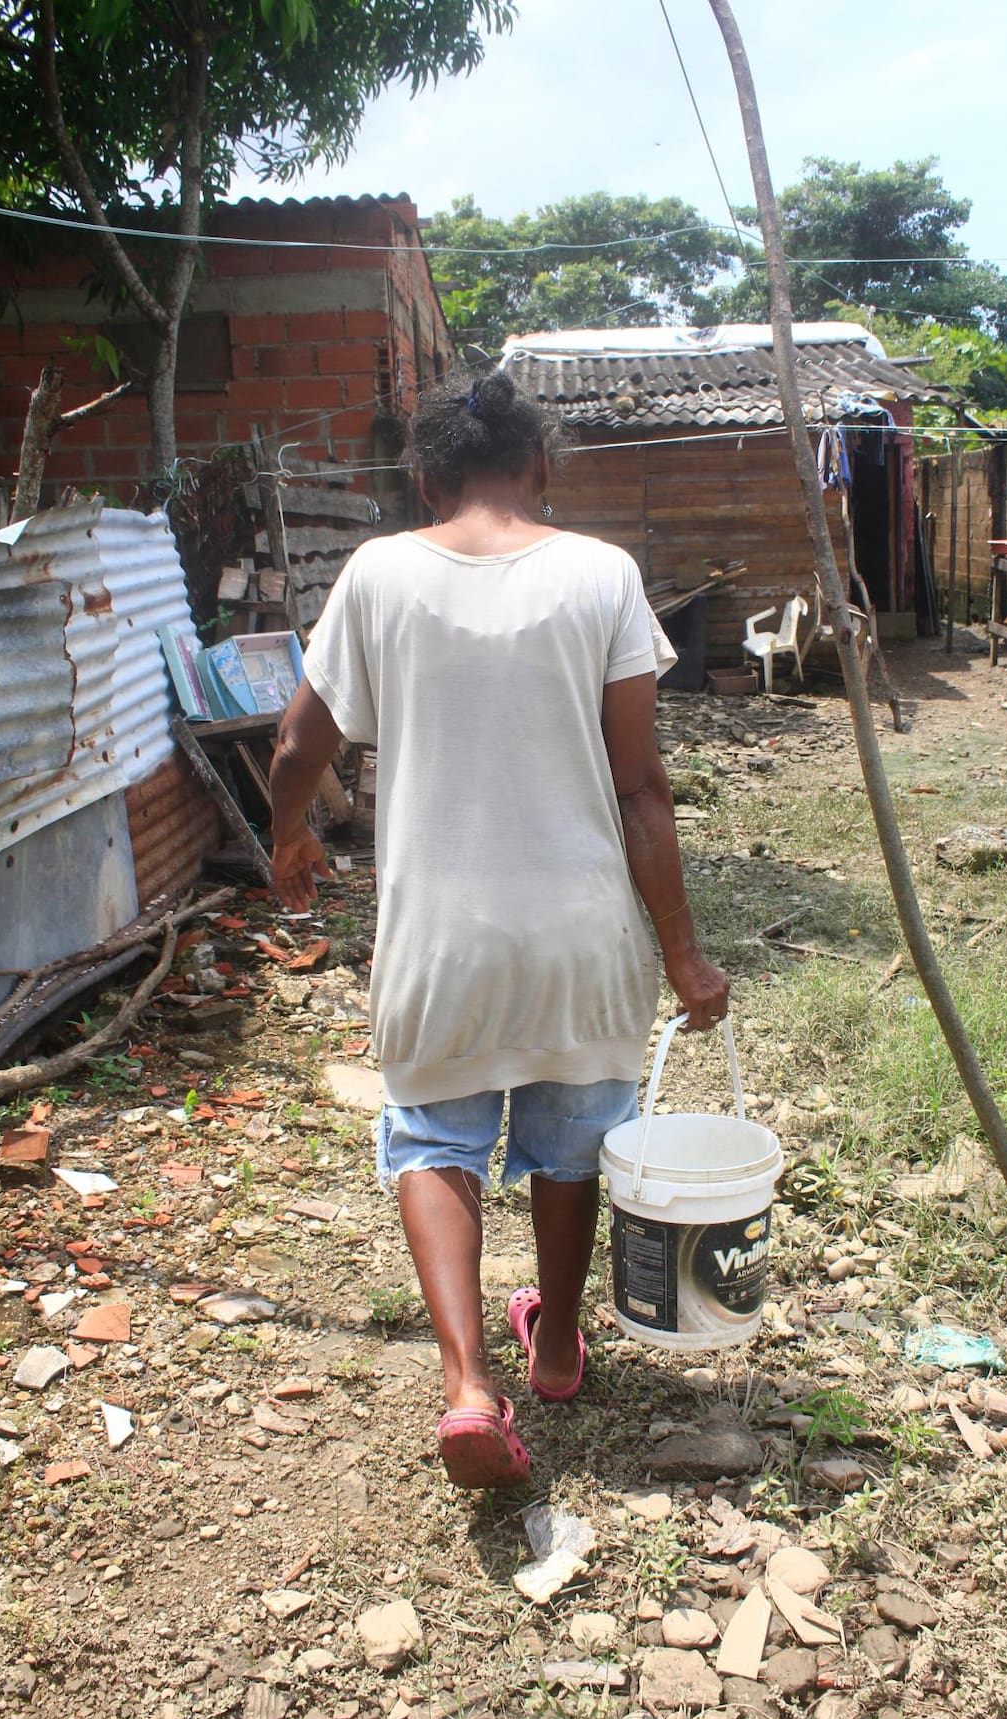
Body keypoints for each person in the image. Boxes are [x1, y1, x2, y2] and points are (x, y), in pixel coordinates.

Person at [269, 369, 729, 1488]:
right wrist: (681, 951)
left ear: (426, 478)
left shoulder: (379, 573)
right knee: (577, 1138)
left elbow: (295, 753)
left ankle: (471, 1383)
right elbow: (642, 792)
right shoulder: (604, 575)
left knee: (433, 1140)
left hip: (440, 939)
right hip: (579, 935)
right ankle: (561, 1344)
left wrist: (289, 840)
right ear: (542, 469)